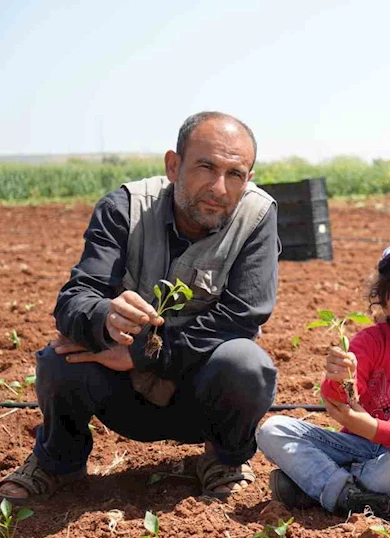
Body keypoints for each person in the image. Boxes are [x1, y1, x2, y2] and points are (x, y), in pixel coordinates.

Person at [0, 112, 279, 502]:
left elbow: (244, 314)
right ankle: (57, 462)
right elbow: (76, 299)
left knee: (246, 364)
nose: (219, 187)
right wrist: (105, 318)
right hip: (122, 396)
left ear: (248, 178)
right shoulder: (125, 208)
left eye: (235, 174)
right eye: (206, 167)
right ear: (173, 165)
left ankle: (224, 459)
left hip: (200, 391)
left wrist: (143, 353)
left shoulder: (257, 216)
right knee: (60, 358)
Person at [257, 237, 390, 523]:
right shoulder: (371, 341)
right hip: (356, 448)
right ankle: (368, 501)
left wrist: (373, 428)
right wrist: (337, 377)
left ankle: (322, 488)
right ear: (384, 300)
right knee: (274, 429)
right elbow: (341, 401)